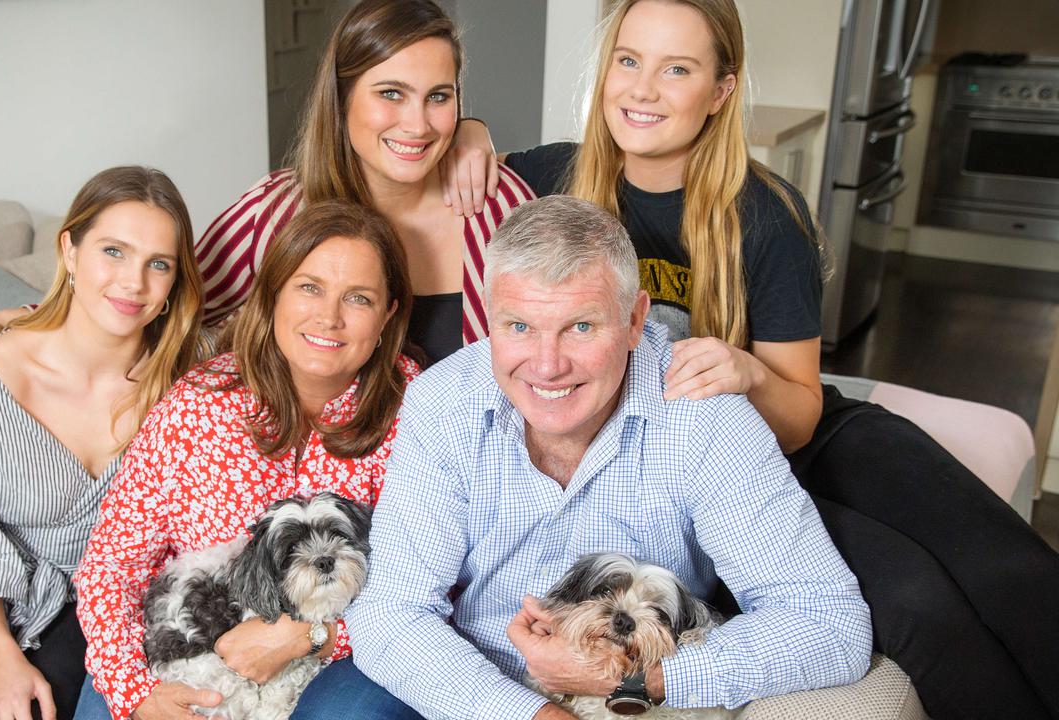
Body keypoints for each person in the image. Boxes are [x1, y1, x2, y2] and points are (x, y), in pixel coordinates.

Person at [483, 1, 1059, 717]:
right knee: (918, 601)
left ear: (721, 91)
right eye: (629, 61)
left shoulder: (764, 213)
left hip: (803, 435)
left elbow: (801, 411)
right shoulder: (551, 179)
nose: (643, 89)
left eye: (678, 69)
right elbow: (450, 160)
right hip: (723, 480)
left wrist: (750, 372)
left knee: (1003, 561)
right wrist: (473, 132)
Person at [305, 195, 870, 720]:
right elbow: (393, 612)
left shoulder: (707, 419)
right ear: (490, 314)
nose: (547, 366)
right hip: (467, 670)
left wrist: (640, 680)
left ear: (633, 320)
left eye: (579, 326)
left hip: (635, 680)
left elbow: (830, 621)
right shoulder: (443, 401)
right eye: (520, 326)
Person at [0, 0, 533, 387]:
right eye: (391, 94)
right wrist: (19, 320)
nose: (418, 124)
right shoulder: (276, 212)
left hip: (460, 511)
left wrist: (476, 135)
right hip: (312, 514)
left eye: (439, 96)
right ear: (343, 97)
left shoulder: (500, 205)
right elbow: (159, 297)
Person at [72, 200, 421, 720]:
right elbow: (112, 562)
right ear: (273, 292)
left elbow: (437, 579)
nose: (329, 317)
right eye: (309, 287)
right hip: (189, 638)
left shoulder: (418, 408)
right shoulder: (198, 403)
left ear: (388, 311)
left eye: (359, 298)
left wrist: (311, 636)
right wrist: (135, 692)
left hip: (347, 652)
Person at [0, 166, 204, 720]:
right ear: (70, 252)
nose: (133, 283)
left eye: (158, 264)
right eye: (113, 251)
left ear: (176, 281)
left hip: (99, 606)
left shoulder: (190, 385)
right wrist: (2, 660)